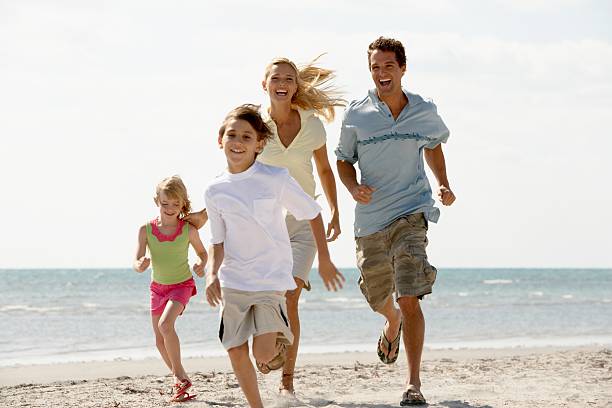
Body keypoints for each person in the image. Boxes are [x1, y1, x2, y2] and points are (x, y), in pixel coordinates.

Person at [335, 37, 456, 406]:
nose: (382, 73)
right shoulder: (357, 114)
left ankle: (413, 383)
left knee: (409, 295)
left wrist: (444, 183)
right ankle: (392, 323)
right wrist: (353, 187)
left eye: (389, 65)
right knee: (378, 297)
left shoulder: (424, 110)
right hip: (370, 219)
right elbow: (342, 158)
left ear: (403, 68)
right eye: (375, 67)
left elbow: (433, 144)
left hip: (411, 212)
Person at [204, 104, 344, 408]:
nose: (238, 142)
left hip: (269, 281)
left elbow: (312, 213)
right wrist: (212, 273)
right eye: (232, 135)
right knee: (234, 347)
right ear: (220, 140)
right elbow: (217, 240)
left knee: (263, 356)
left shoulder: (275, 178)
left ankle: (276, 344)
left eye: (246, 136)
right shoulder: (215, 190)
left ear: (259, 144)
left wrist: (325, 258)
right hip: (234, 281)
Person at [257, 56, 345, 395]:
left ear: (296, 87)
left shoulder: (312, 125)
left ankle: (287, 382)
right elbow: (237, 171)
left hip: (303, 222)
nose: (282, 83)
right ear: (264, 84)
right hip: (264, 224)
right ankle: (267, 348)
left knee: (290, 294)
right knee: (269, 295)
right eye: (276, 78)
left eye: (289, 79)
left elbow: (324, 170)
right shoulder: (255, 124)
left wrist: (335, 211)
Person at [133, 175, 208, 403]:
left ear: (183, 204)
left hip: (181, 285)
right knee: (158, 340)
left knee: (166, 325)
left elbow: (203, 253)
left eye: (176, 204)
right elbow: (136, 261)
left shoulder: (188, 230)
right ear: (157, 200)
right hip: (158, 289)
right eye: (165, 203)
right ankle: (181, 378)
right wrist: (140, 264)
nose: (170, 209)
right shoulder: (145, 230)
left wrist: (202, 264)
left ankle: (178, 376)